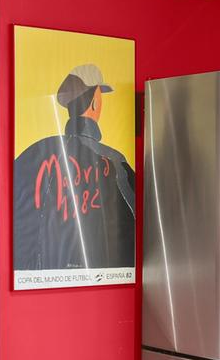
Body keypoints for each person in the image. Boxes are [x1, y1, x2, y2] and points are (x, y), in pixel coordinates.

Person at [13, 63, 136, 277]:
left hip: (32, 284)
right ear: (95, 102)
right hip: (102, 286)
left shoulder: (30, 155)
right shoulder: (113, 160)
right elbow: (135, 228)